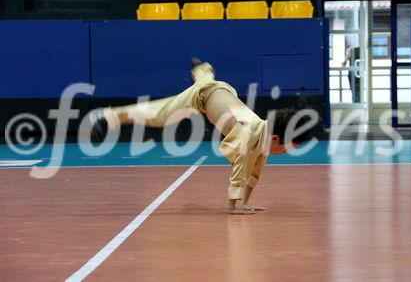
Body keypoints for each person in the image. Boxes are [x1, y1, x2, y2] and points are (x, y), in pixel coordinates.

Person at [90, 59, 313, 215]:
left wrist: (246, 202)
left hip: (222, 92)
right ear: (275, 139)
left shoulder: (262, 138)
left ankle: (202, 69)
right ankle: (107, 116)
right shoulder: (249, 134)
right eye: (287, 148)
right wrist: (234, 205)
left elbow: (254, 171)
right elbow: (241, 166)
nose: (286, 152)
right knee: (160, 116)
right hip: (202, 96)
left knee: (205, 79)